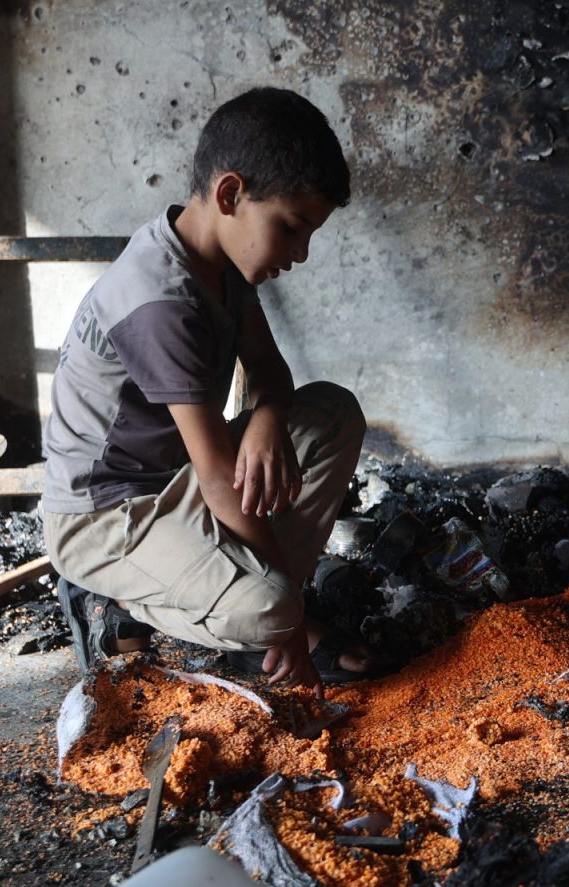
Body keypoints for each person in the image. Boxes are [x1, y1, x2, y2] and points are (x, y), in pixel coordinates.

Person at [41, 86, 377, 695]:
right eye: (293, 228)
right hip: (105, 517)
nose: (301, 254)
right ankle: (117, 594)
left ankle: (266, 620)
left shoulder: (216, 262)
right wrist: (294, 623)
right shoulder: (159, 301)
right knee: (271, 607)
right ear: (231, 194)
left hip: (175, 482)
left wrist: (269, 418)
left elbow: (272, 374)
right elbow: (222, 481)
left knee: (331, 414)